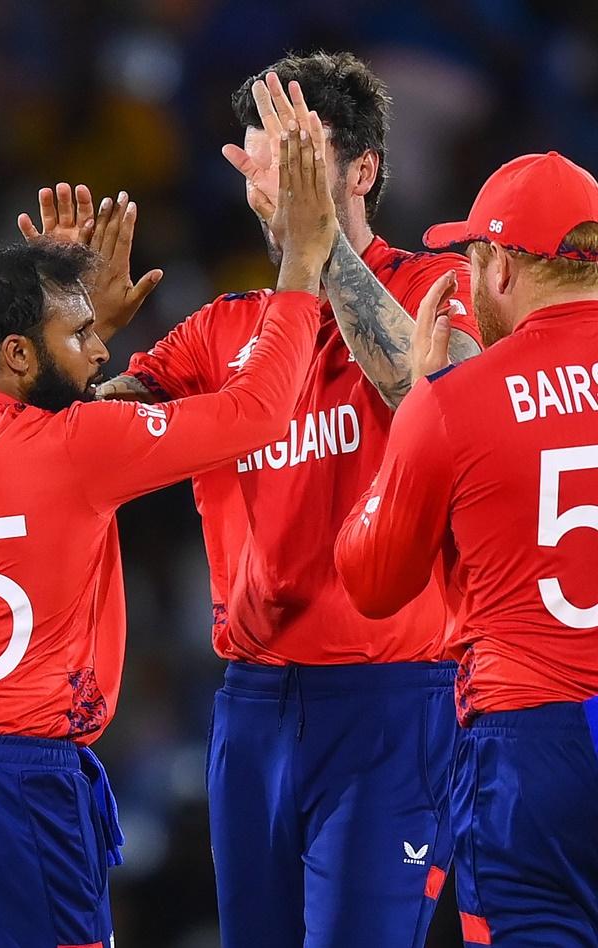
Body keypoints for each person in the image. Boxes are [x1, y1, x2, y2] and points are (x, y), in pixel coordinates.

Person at [0, 120, 335, 947]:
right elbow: (258, 413)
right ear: (17, 352)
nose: (100, 349)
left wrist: (66, 317)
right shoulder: (74, 448)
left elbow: (34, 432)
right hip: (13, 779)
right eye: (78, 336)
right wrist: (300, 263)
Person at [75, 53, 482, 946]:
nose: (266, 185)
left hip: (394, 697)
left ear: (363, 170)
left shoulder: (433, 299)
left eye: (293, 158)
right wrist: (76, 337)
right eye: (258, 160)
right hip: (252, 705)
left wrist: (317, 247)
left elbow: (428, 407)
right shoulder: (217, 330)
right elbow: (71, 457)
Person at [336, 151, 598, 947]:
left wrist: (414, 408)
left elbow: (372, 580)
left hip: (532, 744)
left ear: (502, 266)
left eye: (474, 256)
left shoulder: (454, 402)